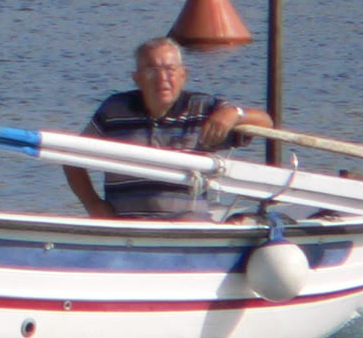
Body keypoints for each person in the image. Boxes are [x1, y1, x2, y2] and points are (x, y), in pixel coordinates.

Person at [62, 36, 271, 220]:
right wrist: (93, 203)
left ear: (183, 74)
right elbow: (72, 158)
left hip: (187, 226)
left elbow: (266, 123)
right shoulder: (115, 110)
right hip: (125, 225)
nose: (163, 78)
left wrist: (235, 114)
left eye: (170, 70)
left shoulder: (203, 109)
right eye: (153, 70)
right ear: (137, 79)